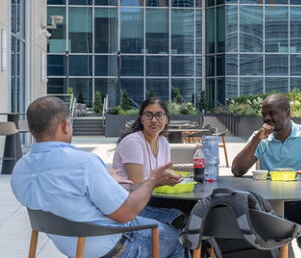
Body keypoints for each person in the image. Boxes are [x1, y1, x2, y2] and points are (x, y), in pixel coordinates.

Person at [11, 96, 188, 258]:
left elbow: (67, 198)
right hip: (113, 248)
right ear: (65, 125)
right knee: (177, 239)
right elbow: (126, 213)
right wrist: (153, 181)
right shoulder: (84, 163)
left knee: (171, 222)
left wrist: (104, 177)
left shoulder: (20, 171)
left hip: (74, 247)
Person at [231, 94, 301, 258]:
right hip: (270, 205)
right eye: (264, 114)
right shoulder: (261, 138)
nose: (267, 118)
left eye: (272, 113)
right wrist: (255, 140)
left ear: (287, 113)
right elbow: (237, 170)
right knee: (266, 250)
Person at [112, 97, 187, 227]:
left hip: (151, 199)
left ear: (166, 119)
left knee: (194, 207)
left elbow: (164, 175)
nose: (154, 120)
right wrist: (157, 181)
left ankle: (202, 245)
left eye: (159, 115)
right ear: (141, 119)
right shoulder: (133, 142)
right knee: (184, 216)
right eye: (148, 115)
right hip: (129, 204)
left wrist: (170, 178)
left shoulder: (163, 142)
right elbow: (137, 187)